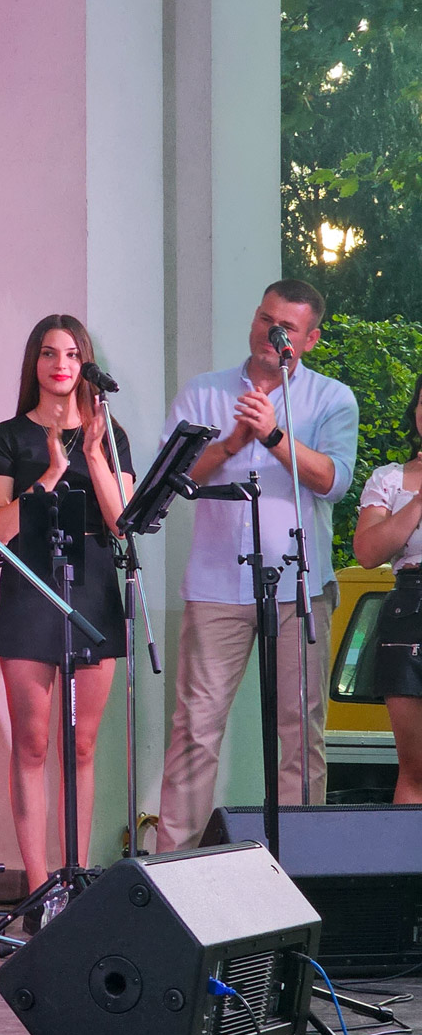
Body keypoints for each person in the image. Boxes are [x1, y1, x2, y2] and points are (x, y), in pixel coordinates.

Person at [156, 279, 359, 851]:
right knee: (195, 731)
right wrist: (230, 442)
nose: (272, 333)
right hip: (216, 585)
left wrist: (272, 435)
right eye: (266, 319)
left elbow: (335, 481)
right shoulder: (204, 392)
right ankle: (173, 871)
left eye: (286, 327)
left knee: (300, 735)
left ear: (309, 339)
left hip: (299, 586)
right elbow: (170, 479)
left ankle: (301, 866)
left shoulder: (332, 398)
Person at [0, 315, 133, 926]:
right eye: (48, 353)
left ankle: (76, 877)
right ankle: (39, 888)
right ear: (34, 364)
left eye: (71, 354)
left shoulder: (109, 433)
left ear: (84, 363)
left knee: (83, 744)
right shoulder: (9, 436)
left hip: (93, 584)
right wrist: (49, 474)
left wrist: (91, 452)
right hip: (31, 583)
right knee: (34, 743)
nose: (60, 365)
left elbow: (122, 524)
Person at [352, 371, 422, 805]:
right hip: (410, 610)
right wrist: (418, 500)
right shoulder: (390, 478)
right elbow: (367, 552)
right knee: (415, 770)